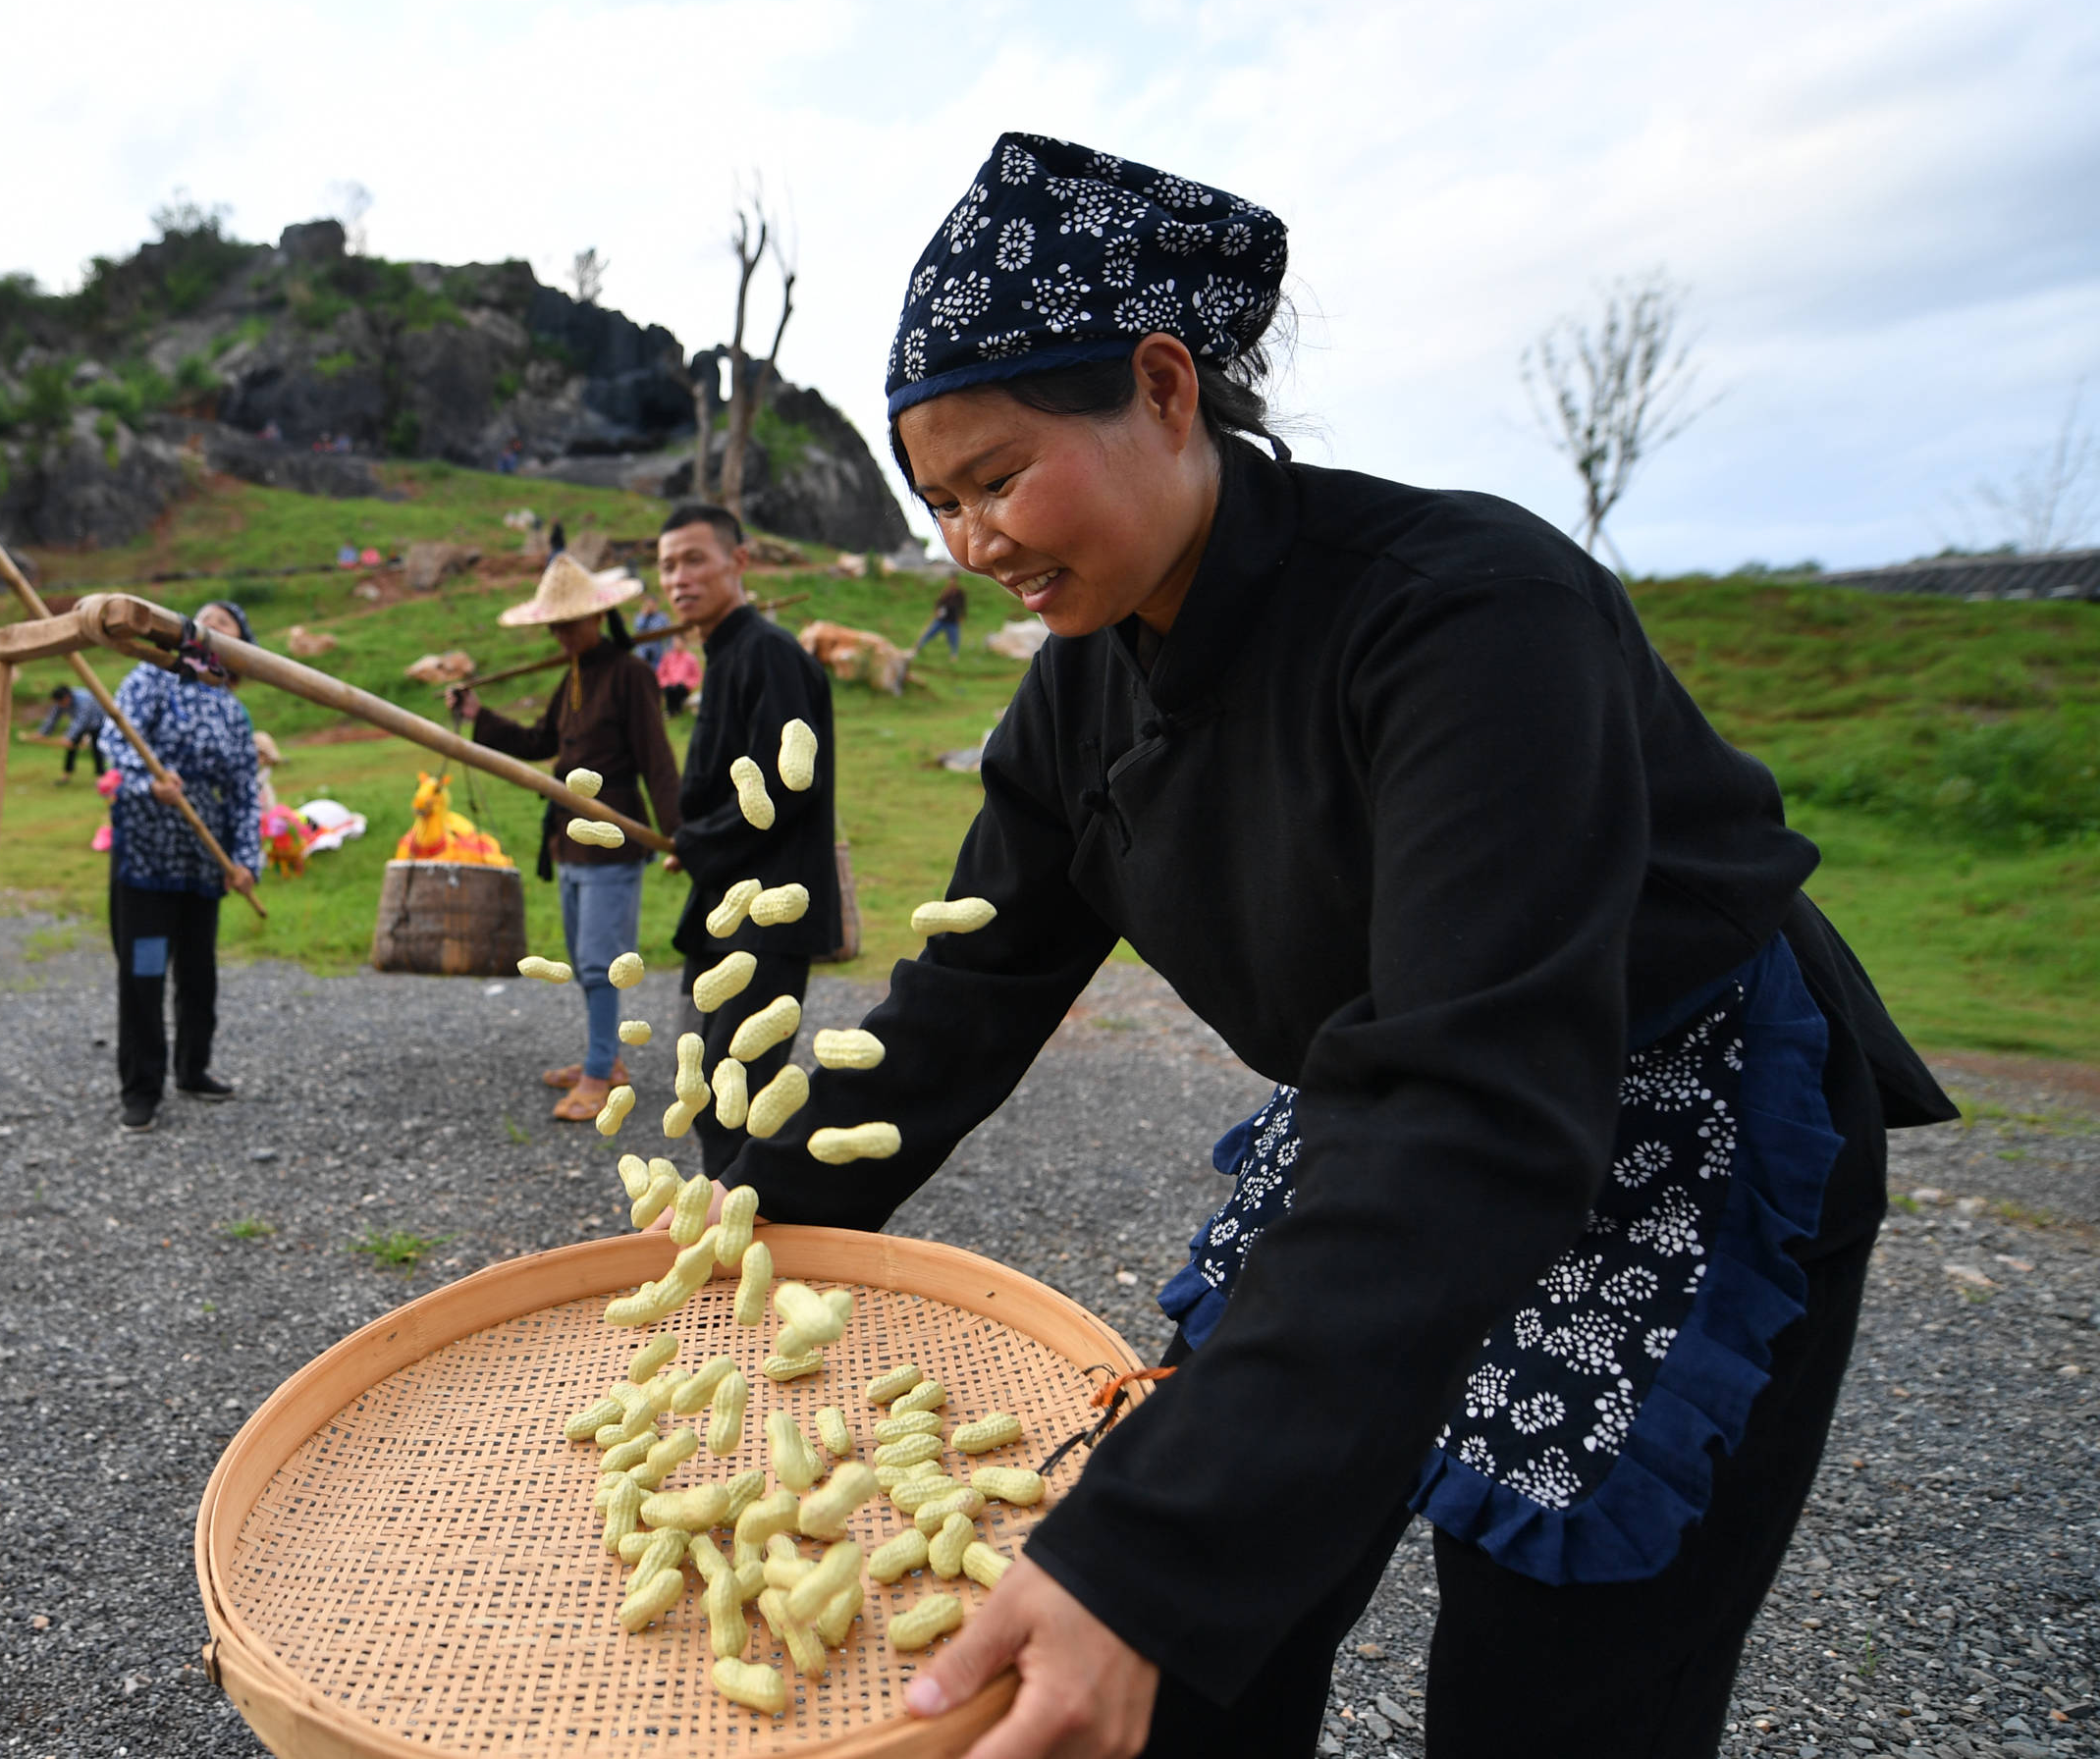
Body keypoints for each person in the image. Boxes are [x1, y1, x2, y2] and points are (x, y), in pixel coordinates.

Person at [708, 133, 1954, 1759]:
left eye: (1001, 476)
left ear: (1165, 388)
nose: (974, 543)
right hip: (1388, 1101)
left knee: (1548, 1690)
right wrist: (738, 1216)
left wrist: (1147, 1561)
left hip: (1659, 1111)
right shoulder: (1078, 692)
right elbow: (964, 995)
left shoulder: (1466, 612)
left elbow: (1482, 1100)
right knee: (1213, 1595)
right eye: (939, 502)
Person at [448, 554, 682, 1123]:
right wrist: (480, 715)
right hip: (570, 843)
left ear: (599, 616)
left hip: (614, 840)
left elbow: (657, 759)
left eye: (569, 622)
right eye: (554, 625)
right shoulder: (573, 675)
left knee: (601, 961)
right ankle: (607, 1059)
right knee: (584, 959)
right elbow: (539, 743)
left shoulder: (630, 674)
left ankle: (601, 1078)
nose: (560, 633)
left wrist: (677, 836)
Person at [655, 502, 839, 1176]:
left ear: (739, 561)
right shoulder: (725, 655)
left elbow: (789, 786)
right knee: (708, 1085)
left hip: (766, 913)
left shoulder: (767, 654)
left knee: (736, 1095)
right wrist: (697, 840)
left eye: (695, 559)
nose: (679, 577)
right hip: (728, 904)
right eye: (668, 565)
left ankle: (743, 1235)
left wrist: (699, 841)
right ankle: (728, 1222)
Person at [98, 601, 264, 1130]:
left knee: (198, 974)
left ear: (239, 646)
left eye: (226, 622)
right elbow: (113, 740)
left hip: (202, 866)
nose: (212, 624)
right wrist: (150, 782)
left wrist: (244, 862)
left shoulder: (232, 709)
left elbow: (243, 792)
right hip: (146, 861)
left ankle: (194, 1069)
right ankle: (141, 1089)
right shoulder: (151, 679)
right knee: (144, 972)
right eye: (204, 618)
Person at [39, 680, 106, 777]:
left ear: (67, 697)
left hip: (96, 722)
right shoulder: (61, 701)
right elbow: (53, 717)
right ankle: (67, 773)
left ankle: (101, 775)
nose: (60, 705)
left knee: (96, 748)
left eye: (61, 702)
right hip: (81, 724)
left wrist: (68, 737)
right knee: (70, 747)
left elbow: (81, 721)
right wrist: (43, 732)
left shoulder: (84, 699)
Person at [917, 573, 967, 659]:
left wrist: (962, 616)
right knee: (929, 633)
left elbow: (963, 605)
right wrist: (936, 611)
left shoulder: (959, 592)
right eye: (951, 580)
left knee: (954, 639)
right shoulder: (945, 592)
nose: (952, 582)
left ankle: (954, 655)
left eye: (954, 580)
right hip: (941, 619)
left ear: (956, 581)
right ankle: (917, 648)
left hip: (952, 620)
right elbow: (938, 602)